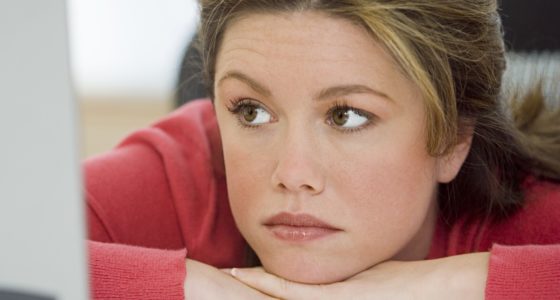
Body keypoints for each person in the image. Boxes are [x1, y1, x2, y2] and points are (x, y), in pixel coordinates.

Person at [86, 1, 560, 299]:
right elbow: (12, 255)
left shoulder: (526, 217)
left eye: (347, 116)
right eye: (251, 111)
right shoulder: (188, 168)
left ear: (453, 139)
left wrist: (455, 285)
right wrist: (194, 289)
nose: (292, 173)